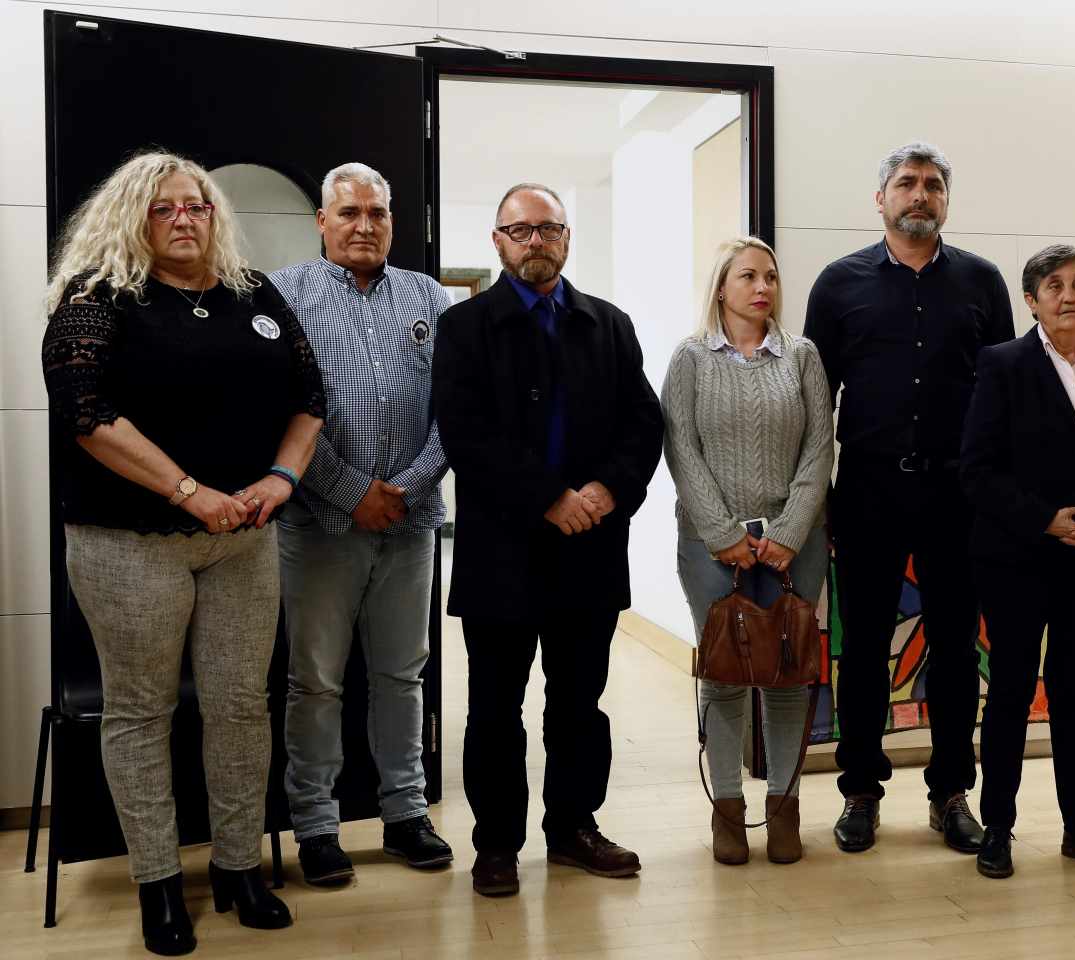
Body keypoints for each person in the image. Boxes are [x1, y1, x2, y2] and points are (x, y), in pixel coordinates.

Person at [40, 151, 325, 956]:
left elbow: (311, 399)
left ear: (214, 214)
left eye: (195, 206)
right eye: (163, 209)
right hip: (128, 545)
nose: (183, 220)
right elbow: (87, 413)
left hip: (244, 539)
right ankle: (158, 884)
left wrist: (280, 477)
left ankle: (239, 871)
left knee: (241, 705)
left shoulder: (255, 295)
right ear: (133, 217)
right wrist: (188, 491)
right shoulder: (97, 300)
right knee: (141, 712)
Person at [433, 183, 664, 897]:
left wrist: (605, 492)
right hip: (502, 552)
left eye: (549, 229)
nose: (536, 241)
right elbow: (465, 435)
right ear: (497, 242)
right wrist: (549, 498)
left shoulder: (610, 324)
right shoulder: (465, 327)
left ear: (567, 239)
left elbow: (643, 425)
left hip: (589, 550)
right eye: (520, 230)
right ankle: (497, 845)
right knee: (496, 709)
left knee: (578, 703)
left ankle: (572, 828)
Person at [803, 141, 1014, 855]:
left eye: (931, 185)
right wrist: (818, 493)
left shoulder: (983, 283)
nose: (919, 194)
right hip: (867, 490)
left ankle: (952, 793)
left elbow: (1004, 393)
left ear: (945, 200)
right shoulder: (838, 284)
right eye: (906, 184)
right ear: (881, 199)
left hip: (960, 495)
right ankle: (861, 790)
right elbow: (813, 398)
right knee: (862, 650)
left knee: (956, 651)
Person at [269, 162, 453, 886]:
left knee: (402, 676)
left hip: (410, 523)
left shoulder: (429, 297)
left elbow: (456, 412)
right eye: (348, 213)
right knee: (314, 680)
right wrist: (350, 490)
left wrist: (404, 489)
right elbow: (279, 408)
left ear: (392, 222)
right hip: (318, 525)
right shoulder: (285, 295)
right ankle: (315, 823)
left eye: (376, 213)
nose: (364, 225)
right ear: (322, 221)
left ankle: (405, 813)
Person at [958, 245, 1075, 879]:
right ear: (1031, 300)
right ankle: (999, 829)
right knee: (1011, 689)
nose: (1069, 295)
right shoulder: (1002, 364)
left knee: (1074, 693)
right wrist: (1045, 519)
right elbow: (977, 471)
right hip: (1015, 556)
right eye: (1053, 286)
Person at [662, 237, 833, 866]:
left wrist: (788, 533)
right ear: (721, 287)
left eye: (771, 276)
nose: (762, 287)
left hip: (797, 543)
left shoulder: (802, 356)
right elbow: (681, 449)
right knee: (726, 673)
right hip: (712, 545)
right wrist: (724, 532)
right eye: (747, 276)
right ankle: (728, 811)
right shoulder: (690, 360)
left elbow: (820, 448)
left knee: (788, 672)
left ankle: (784, 808)